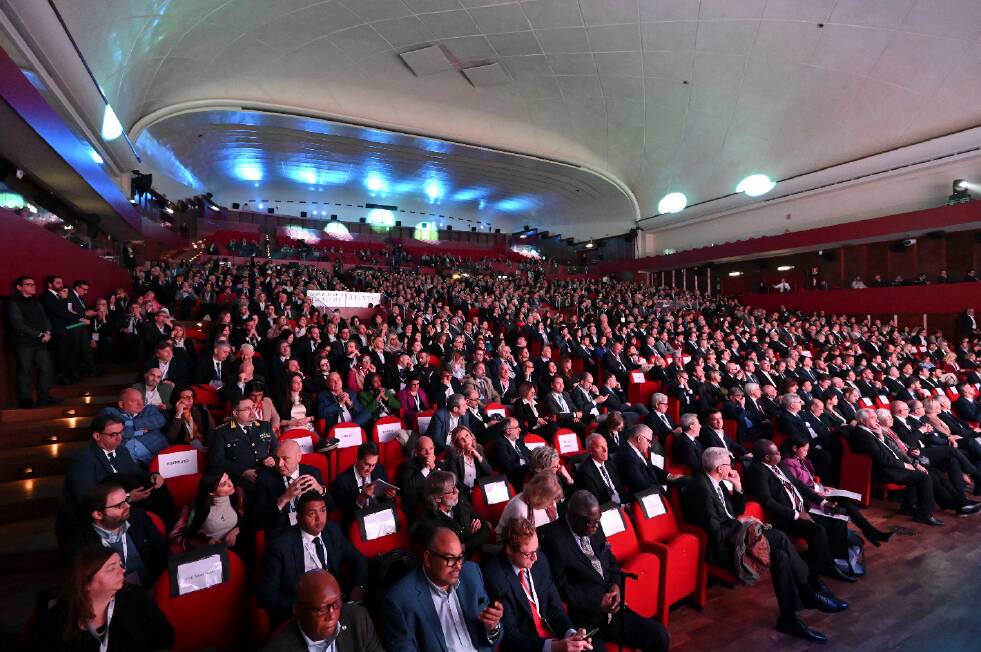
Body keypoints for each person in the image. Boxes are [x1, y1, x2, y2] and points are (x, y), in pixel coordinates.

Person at [682, 447, 848, 643]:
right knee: (778, 537)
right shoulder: (701, 489)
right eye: (729, 464)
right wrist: (741, 521)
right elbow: (716, 533)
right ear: (720, 468)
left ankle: (788, 618)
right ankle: (809, 590)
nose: (732, 467)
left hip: (736, 535)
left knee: (782, 556)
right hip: (723, 548)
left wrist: (737, 486)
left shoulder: (715, 482)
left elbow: (735, 511)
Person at [541, 491, 670, 652]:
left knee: (659, 634)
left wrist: (615, 586)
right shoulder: (555, 540)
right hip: (584, 619)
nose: (596, 525)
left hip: (612, 611)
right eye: (591, 522)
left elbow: (611, 561)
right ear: (573, 518)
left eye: (598, 520)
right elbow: (561, 588)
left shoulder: (594, 524)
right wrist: (597, 602)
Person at [745, 440, 859, 583]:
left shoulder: (778, 464)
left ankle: (835, 561)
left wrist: (823, 502)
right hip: (787, 517)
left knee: (838, 520)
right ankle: (822, 571)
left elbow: (798, 484)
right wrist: (797, 515)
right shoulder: (758, 471)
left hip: (802, 509)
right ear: (767, 457)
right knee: (818, 530)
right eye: (777, 452)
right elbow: (767, 501)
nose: (781, 454)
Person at [382, 527, 504, 652]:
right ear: (428, 559)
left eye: (460, 557)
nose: (458, 566)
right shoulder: (398, 601)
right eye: (450, 559)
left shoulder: (471, 573)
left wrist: (492, 627)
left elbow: (493, 639)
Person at [31, 546, 174, 652]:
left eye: (120, 564)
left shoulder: (136, 596)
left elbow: (164, 637)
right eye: (111, 568)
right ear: (86, 583)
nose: (122, 570)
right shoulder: (53, 624)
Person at [483, 517, 593, 652]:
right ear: (509, 550)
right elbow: (510, 637)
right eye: (528, 553)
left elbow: (555, 609)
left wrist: (570, 634)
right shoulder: (495, 577)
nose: (535, 557)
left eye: (536, 550)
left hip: (555, 637)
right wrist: (554, 647)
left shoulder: (540, 561)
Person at [258, 491, 368, 625]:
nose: (319, 518)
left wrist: (359, 586)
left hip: (336, 603)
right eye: (312, 514)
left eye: (323, 511)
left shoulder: (333, 531)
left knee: (362, 623)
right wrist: (306, 609)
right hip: (302, 614)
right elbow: (267, 596)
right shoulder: (280, 546)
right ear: (298, 518)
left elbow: (358, 559)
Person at [59, 415, 169, 544]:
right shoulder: (83, 459)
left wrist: (153, 475)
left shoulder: (122, 451)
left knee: (160, 492)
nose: (119, 438)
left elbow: (136, 472)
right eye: (113, 434)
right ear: (97, 436)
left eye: (121, 432)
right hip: (96, 514)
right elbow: (86, 497)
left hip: (124, 505)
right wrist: (127, 498)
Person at [781, 440, 893, 546]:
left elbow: (810, 480)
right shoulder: (788, 463)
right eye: (804, 450)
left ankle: (870, 532)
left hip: (818, 491)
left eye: (807, 449)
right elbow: (798, 486)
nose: (807, 452)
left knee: (848, 503)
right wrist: (818, 493)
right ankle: (870, 533)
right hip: (810, 498)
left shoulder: (803, 460)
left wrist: (823, 487)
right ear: (795, 448)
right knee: (846, 506)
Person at [66, 482, 168, 588]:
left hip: (153, 585)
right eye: (119, 505)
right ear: (98, 514)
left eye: (126, 500)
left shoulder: (139, 517)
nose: (128, 506)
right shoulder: (81, 544)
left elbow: (162, 553)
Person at [259, 570, 384, 652]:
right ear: (297, 611)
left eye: (336, 604)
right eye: (322, 609)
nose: (332, 615)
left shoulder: (358, 619)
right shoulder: (278, 648)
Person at [253, 439, 332, 531]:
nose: (280, 464)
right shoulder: (264, 479)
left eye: (285, 459)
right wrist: (284, 498)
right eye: (277, 458)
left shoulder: (313, 472)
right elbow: (258, 521)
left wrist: (320, 489)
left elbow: (331, 507)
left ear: (298, 457)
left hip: (312, 527)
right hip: (283, 531)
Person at [4, 275, 57, 407]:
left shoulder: (36, 300)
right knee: (25, 371)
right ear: (19, 287)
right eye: (29, 284)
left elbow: (45, 318)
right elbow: (18, 324)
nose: (33, 286)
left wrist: (48, 332)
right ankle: (25, 401)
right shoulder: (12, 302)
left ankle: (44, 397)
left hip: (40, 342)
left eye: (33, 284)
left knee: (46, 369)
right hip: (23, 343)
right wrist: (40, 334)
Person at [412, 469, 491, 552]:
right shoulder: (428, 522)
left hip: (474, 550)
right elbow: (449, 551)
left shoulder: (460, 500)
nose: (457, 491)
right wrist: (469, 534)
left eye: (455, 487)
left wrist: (464, 545)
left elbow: (485, 530)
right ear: (438, 498)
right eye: (452, 491)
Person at [208, 396, 277, 486]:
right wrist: (242, 472)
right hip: (240, 481)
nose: (253, 412)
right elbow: (217, 460)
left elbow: (276, 447)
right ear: (236, 413)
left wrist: (273, 458)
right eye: (247, 409)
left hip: (267, 475)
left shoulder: (264, 426)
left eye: (253, 407)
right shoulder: (222, 432)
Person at [169, 469, 244, 551]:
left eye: (228, 478)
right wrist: (206, 542)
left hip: (237, 544)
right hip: (210, 552)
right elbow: (175, 536)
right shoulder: (196, 507)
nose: (230, 484)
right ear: (212, 493)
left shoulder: (237, 494)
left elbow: (248, 519)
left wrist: (237, 530)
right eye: (223, 484)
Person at [329, 441, 397, 527]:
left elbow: (386, 503)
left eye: (373, 465)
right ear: (357, 459)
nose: (370, 469)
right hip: (358, 525)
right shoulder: (341, 482)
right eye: (367, 464)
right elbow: (347, 517)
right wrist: (361, 498)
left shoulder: (380, 470)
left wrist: (388, 497)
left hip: (379, 520)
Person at [98, 388, 169, 465]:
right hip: (125, 457)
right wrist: (141, 431)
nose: (140, 404)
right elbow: (111, 430)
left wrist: (130, 424)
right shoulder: (110, 412)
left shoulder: (149, 409)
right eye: (134, 401)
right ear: (121, 404)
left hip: (155, 448)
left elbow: (160, 421)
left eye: (142, 400)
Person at [496, 471, 564, 540]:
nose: (553, 504)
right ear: (539, 496)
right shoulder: (520, 508)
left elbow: (555, 525)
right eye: (549, 499)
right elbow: (517, 541)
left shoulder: (551, 502)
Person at [396, 435, 439, 518]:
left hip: (436, 504)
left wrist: (433, 468)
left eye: (431, 448)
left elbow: (445, 484)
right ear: (417, 452)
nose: (429, 453)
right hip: (417, 507)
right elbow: (408, 488)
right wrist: (427, 468)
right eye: (424, 450)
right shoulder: (408, 464)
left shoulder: (438, 463)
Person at [575, 432, 624, 505]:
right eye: (599, 447)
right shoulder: (585, 472)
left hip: (622, 503)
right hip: (607, 508)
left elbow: (620, 487)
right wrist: (618, 505)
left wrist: (625, 503)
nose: (605, 450)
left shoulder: (610, 463)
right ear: (590, 451)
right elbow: (595, 500)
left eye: (606, 445)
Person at [443, 426, 493, 493]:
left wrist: (478, 456)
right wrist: (469, 491)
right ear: (457, 443)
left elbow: (489, 472)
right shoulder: (454, 454)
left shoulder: (478, 448)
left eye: (467, 436)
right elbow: (454, 480)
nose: (466, 441)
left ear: (471, 435)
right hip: (462, 491)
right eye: (461, 439)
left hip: (479, 489)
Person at [487, 417, 532, 491]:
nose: (520, 429)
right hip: (514, 478)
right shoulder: (500, 444)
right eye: (517, 427)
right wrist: (528, 468)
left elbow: (529, 454)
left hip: (526, 472)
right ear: (508, 431)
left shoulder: (518, 441)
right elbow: (508, 466)